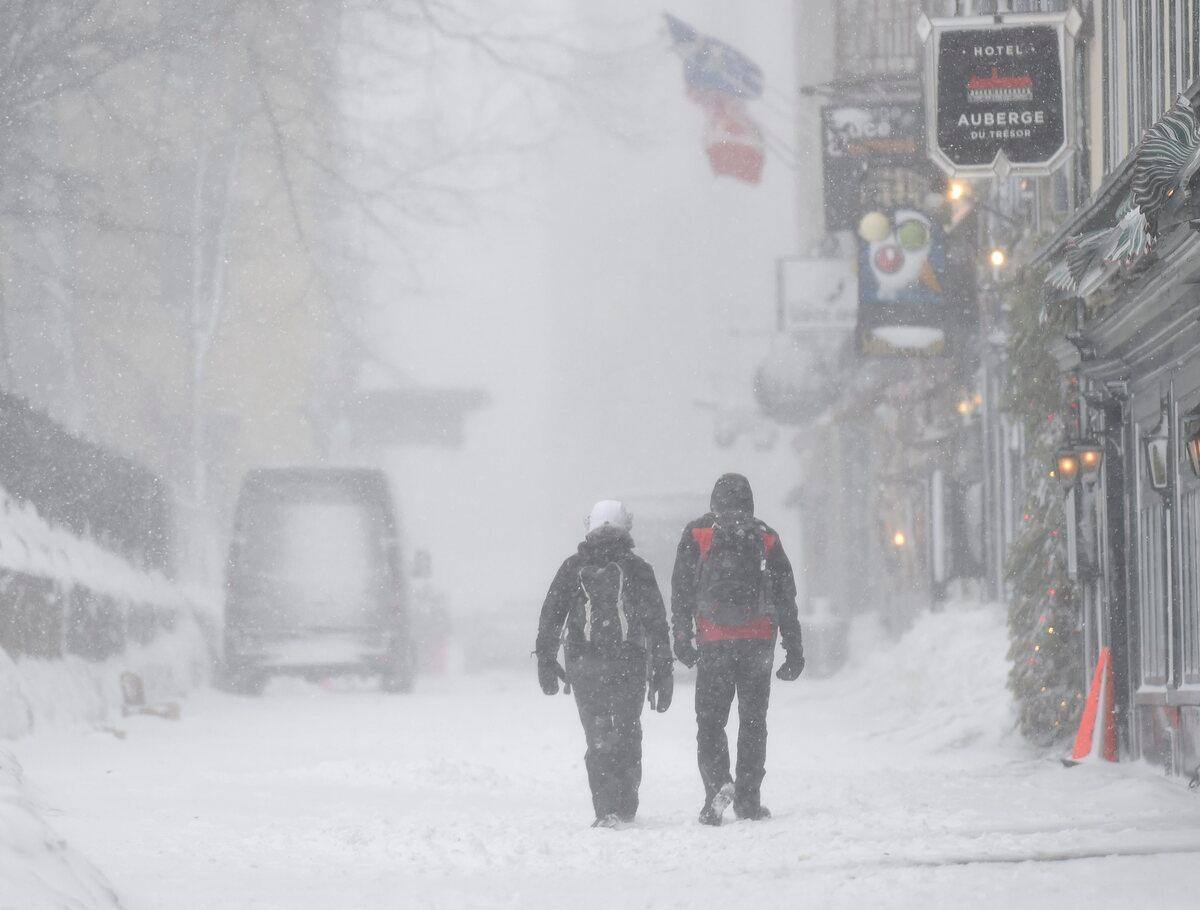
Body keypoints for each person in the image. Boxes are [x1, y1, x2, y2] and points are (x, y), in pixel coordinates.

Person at [671, 473, 804, 826]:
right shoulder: (766, 536)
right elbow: (785, 598)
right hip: (757, 642)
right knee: (753, 722)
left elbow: (682, 589)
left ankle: (717, 786)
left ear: (715, 500)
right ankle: (748, 799)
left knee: (710, 721)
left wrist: (681, 636)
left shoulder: (698, 533)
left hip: (714, 641)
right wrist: (794, 648)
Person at [534, 500, 674, 828]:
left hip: (585, 662)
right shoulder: (638, 569)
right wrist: (663, 668)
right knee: (627, 729)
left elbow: (552, 615)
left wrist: (546, 657)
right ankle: (626, 803)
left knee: (597, 733)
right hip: (630, 660)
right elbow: (656, 621)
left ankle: (605, 808)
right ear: (627, 527)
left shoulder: (573, 567)